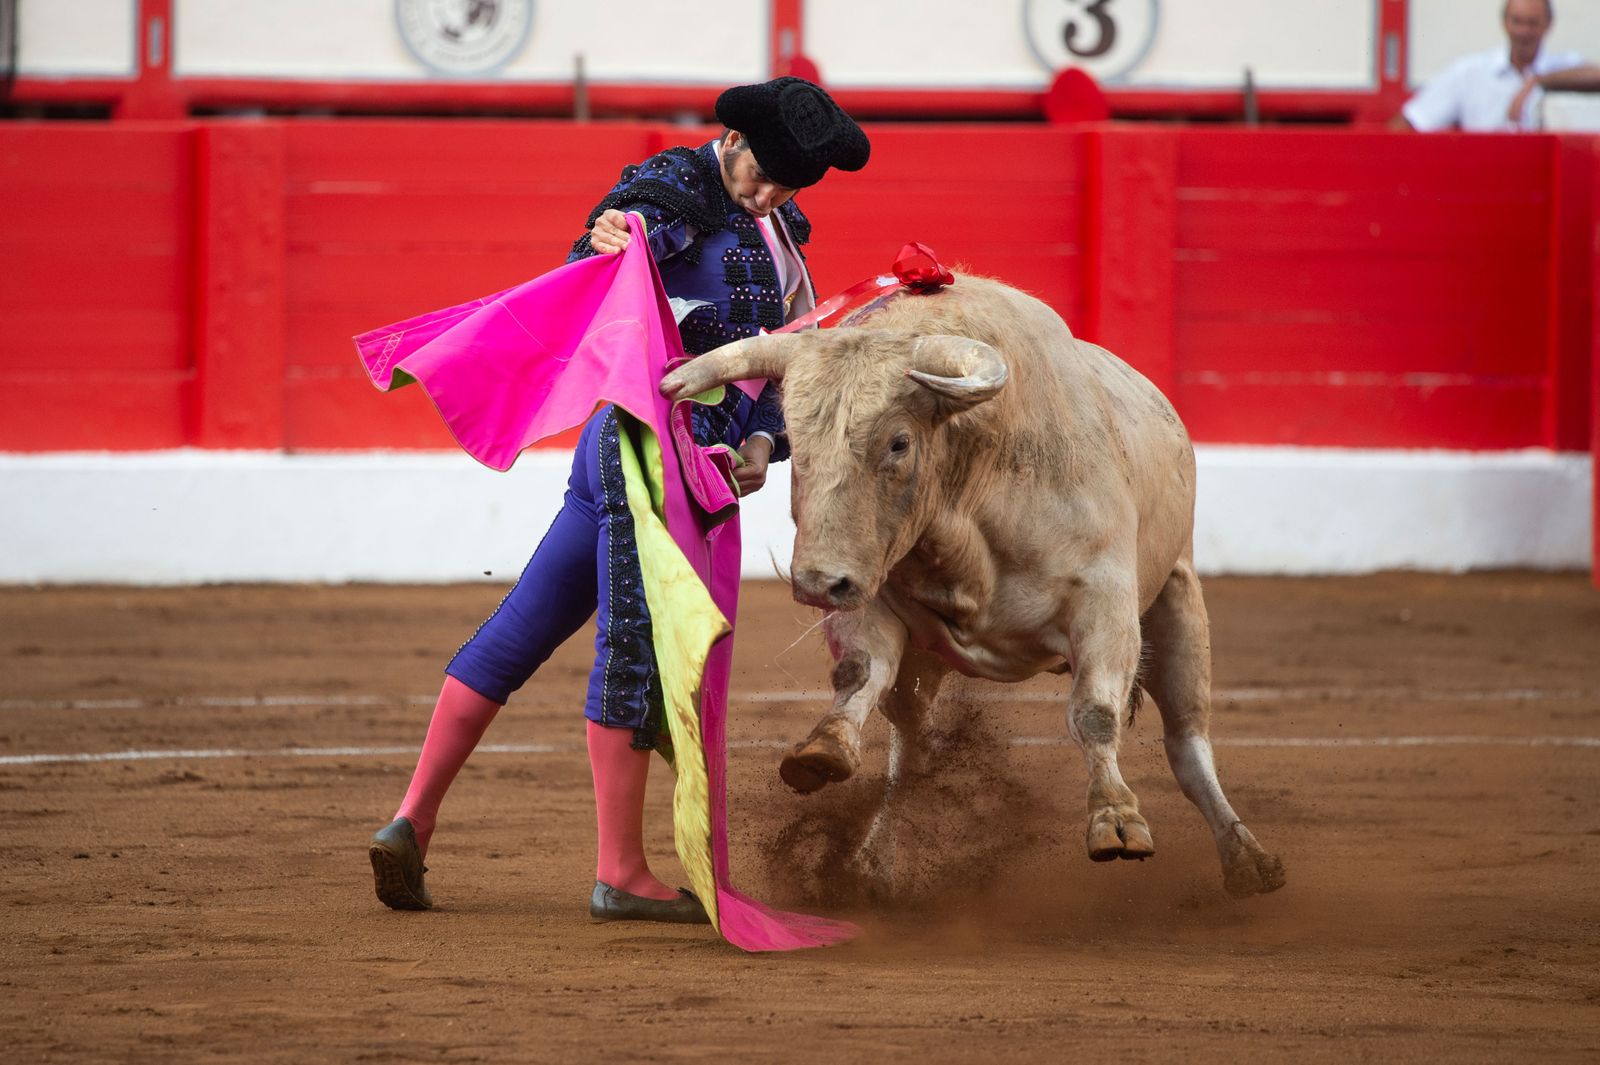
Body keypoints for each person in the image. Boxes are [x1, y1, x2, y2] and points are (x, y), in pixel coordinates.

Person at [367, 77, 870, 923]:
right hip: (646, 459)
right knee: (633, 653)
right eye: (766, 175)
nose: (773, 193)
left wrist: (757, 445)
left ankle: (410, 822)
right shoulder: (671, 190)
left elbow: (792, 353)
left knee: (519, 630)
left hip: (671, 465)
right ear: (734, 141)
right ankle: (620, 871)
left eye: (791, 184)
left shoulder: (784, 231)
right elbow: (604, 258)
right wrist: (609, 237)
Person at [1394, 0, 1600, 132]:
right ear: (1505, 22)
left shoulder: (1561, 67)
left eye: (1532, 23)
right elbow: (1409, 122)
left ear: (1548, 24)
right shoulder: (1470, 73)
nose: (1524, 32)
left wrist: (1538, 81)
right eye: (1518, 22)